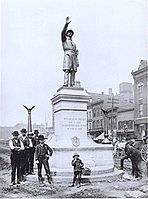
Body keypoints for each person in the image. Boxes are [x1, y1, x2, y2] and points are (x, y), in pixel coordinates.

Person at [61, 17, 79, 87]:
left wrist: (77, 59)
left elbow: (76, 52)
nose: (70, 33)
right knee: (67, 69)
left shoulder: (74, 44)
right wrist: (66, 24)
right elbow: (62, 33)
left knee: (73, 71)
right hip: (67, 54)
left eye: (71, 33)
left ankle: (72, 83)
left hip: (73, 56)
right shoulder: (64, 41)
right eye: (69, 32)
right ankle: (66, 83)